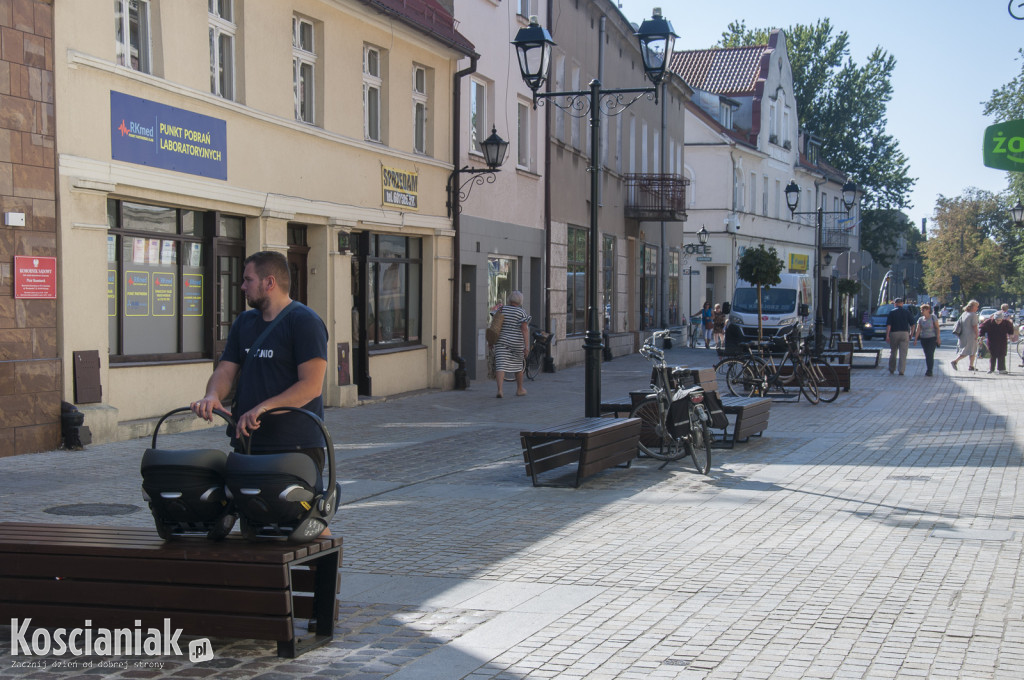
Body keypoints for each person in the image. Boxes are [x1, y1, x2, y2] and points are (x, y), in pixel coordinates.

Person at [191, 251, 329, 464]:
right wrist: (212, 395)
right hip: (247, 441)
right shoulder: (244, 322)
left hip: (294, 446)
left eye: (248, 280)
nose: (243, 286)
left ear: (269, 282)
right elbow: (226, 369)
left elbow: (311, 385)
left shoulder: (304, 321)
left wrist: (263, 408)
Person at [491, 290, 531, 398]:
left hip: (501, 341)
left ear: (509, 299)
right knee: (518, 366)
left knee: (500, 365)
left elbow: (494, 324)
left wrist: (491, 341)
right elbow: (524, 330)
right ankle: (519, 389)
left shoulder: (502, 309)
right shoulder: (521, 312)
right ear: (520, 301)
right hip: (516, 342)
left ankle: (500, 390)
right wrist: (526, 346)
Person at [885, 297, 914, 375]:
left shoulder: (892, 312)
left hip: (894, 333)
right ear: (902, 304)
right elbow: (912, 324)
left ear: (895, 304)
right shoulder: (907, 312)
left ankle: (892, 369)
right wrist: (911, 333)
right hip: (904, 333)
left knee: (893, 352)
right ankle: (901, 370)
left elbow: (889, 325)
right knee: (903, 353)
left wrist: (887, 335)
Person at [980, 309, 1014, 374]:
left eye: (1000, 320)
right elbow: (982, 328)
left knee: (1002, 354)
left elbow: (1010, 328)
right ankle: (991, 369)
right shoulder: (989, 322)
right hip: (992, 340)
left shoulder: (1006, 323)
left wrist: (1011, 334)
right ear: (994, 319)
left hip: (1002, 340)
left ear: (1002, 319)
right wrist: (982, 335)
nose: (998, 322)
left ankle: (1001, 369)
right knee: (992, 355)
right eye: (997, 320)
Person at [950, 299, 980, 372]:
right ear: (972, 307)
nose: (977, 308)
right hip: (971, 336)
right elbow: (975, 326)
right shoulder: (973, 315)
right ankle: (955, 361)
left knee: (972, 351)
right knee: (967, 351)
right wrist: (977, 335)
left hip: (963, 335)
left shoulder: (964, 314)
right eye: (976, 306)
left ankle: (971, 366)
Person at [911, 303, 940, 376]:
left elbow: (937, 328)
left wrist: (938, 338)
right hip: (924, 339)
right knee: (927, 354)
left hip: (932, 338)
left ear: (928, 310)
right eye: (921, 310)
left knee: (930, 354)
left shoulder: (933, 317)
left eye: (923, 310)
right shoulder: (920, 319)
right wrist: (915, 339)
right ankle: (929, 368)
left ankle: (929, 370)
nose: (922, 311)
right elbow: (918, 330)